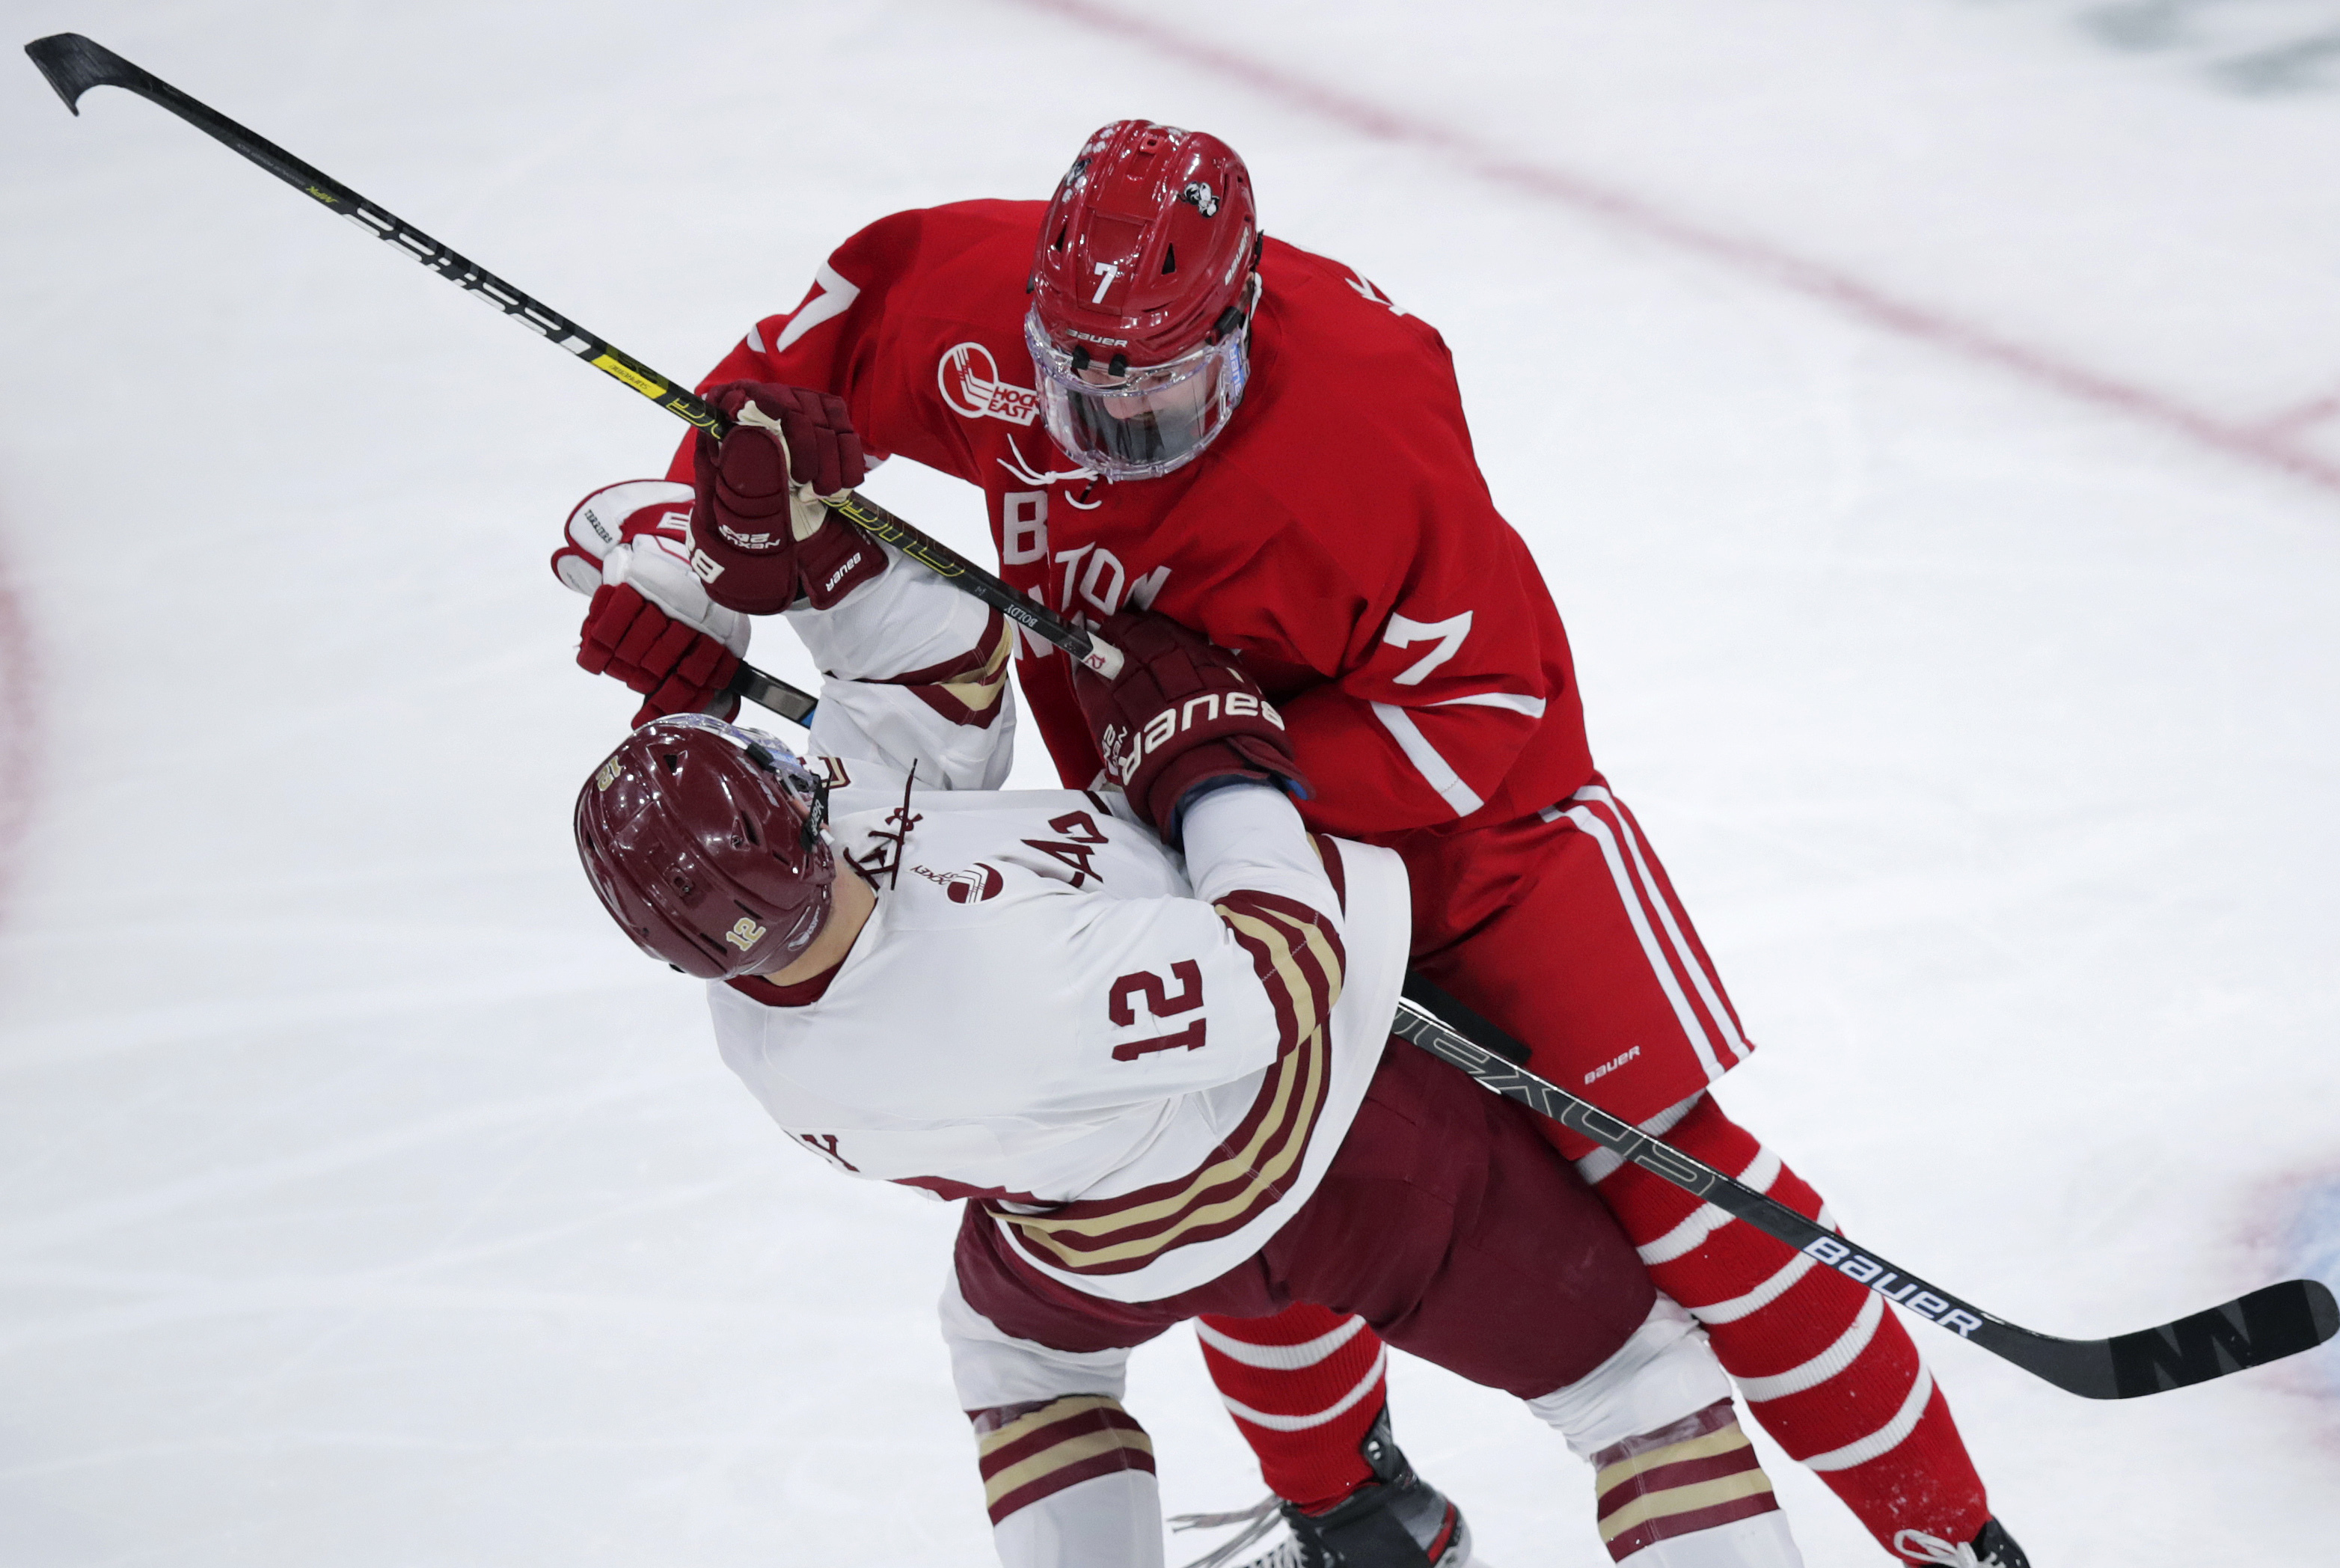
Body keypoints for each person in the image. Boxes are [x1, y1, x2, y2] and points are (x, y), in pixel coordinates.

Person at [556, 121, 2027, 1568]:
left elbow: (1478, 709)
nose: (1109, 433)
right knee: (1235, 1168)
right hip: (1180, 822)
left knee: (1664, 1175)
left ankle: (1951, 1541)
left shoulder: (1368, 419)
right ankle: (1354, 1513)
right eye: (1078, 387)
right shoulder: (962, 295)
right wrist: (698, 547)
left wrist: (1227, 765)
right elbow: (766, 404)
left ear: (1239, 316)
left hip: (1459, 827)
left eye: (1159, 392)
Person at [569, 535, 1811, 1568]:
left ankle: (1363, 1524)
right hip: (1343, 1159)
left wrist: (814, 567)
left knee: (1017, 1364)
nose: (814, 780)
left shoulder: (764, 1001)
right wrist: (1211, 769)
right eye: (793, 787)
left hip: (1098, 1249)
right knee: (1640, 1393)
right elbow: (1285, 965)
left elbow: (929, 691)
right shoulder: (999, 993)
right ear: (797, 835)